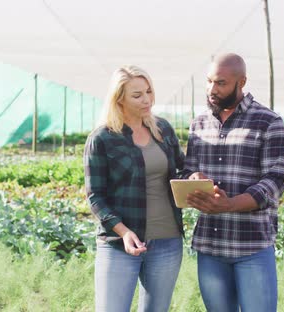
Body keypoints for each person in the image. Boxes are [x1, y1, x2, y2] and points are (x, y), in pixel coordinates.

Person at [184, 53, 284, 312]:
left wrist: (230, 204)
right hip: (211, 244)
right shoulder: (199, 125)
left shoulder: (268, 122)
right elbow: (187, 170)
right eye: (209, 81)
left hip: (251, 244)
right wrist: (192, 179)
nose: (212, 89)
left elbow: (275, 181)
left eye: (220, 83)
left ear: (241, 82)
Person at [83, 65, 187, 312]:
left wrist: (194, 180)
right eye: (137, 95)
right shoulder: (102, 139)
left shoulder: (162, 129)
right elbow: (95, 196)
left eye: (149, 92)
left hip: (166, 241)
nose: (147, 100)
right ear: (119, 98)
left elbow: (181, 170)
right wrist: (124, 232)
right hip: (119, 243)